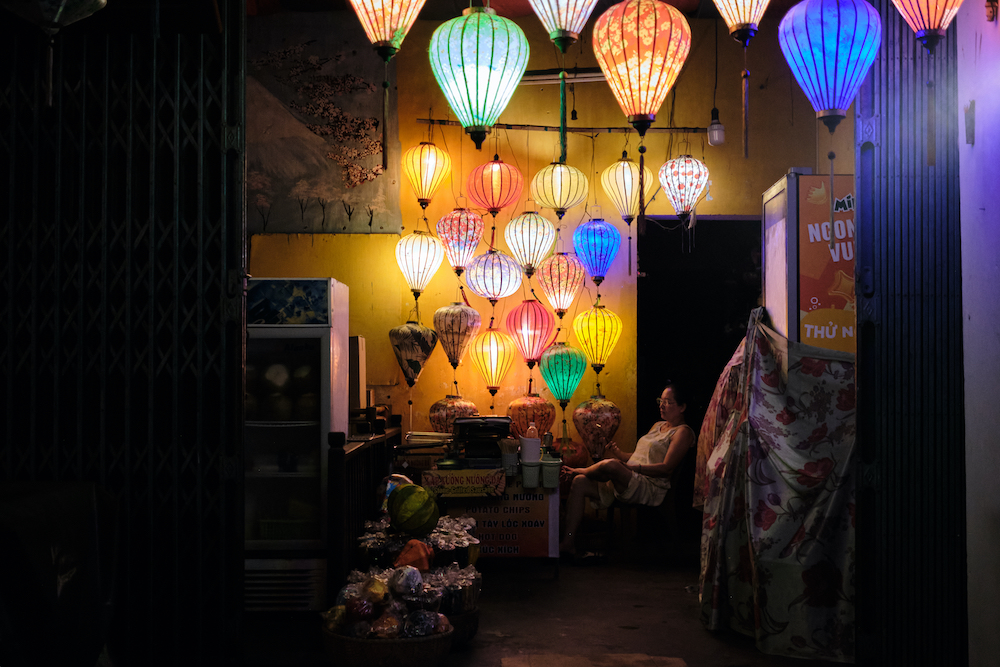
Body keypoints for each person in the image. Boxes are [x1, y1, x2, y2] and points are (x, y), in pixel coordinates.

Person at [558, 382, 696, 559]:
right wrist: (620, 454)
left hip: (650, 486)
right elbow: (639, 456)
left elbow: (666, 468)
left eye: (668, 402)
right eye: (660, 401)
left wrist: (629, 467)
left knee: (612, 465)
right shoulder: (657, 426)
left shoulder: (682, 433)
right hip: (630, 479)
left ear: (682, 407)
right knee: (580, 483)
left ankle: (582, 470)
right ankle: (568, 543)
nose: (662, 405)